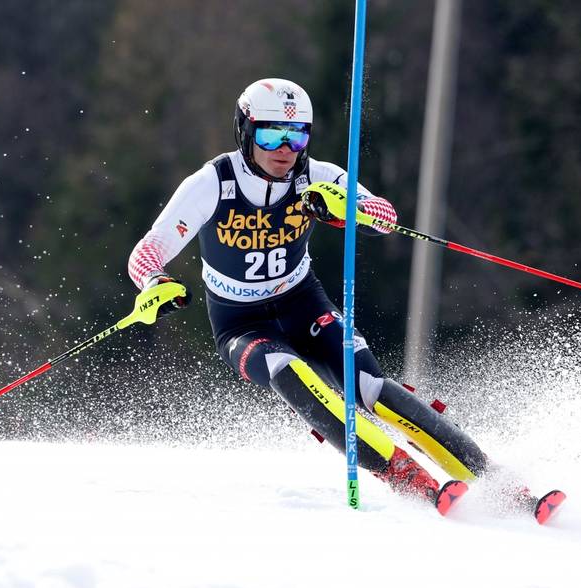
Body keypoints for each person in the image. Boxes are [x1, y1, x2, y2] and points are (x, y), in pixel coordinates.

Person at [127, 78, 493, 513]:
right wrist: (155, 283)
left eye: (297, 135)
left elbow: (386, 218)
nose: (286, 149)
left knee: (368, 386)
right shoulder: (211, 182)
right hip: (241, 323)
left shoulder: (316, 176)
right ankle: (404, 476)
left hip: (304, 304)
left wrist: (346, 207)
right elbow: (147, 251)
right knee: (289, 371)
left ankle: (494, 479)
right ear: (245, 132)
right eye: (271, 135)